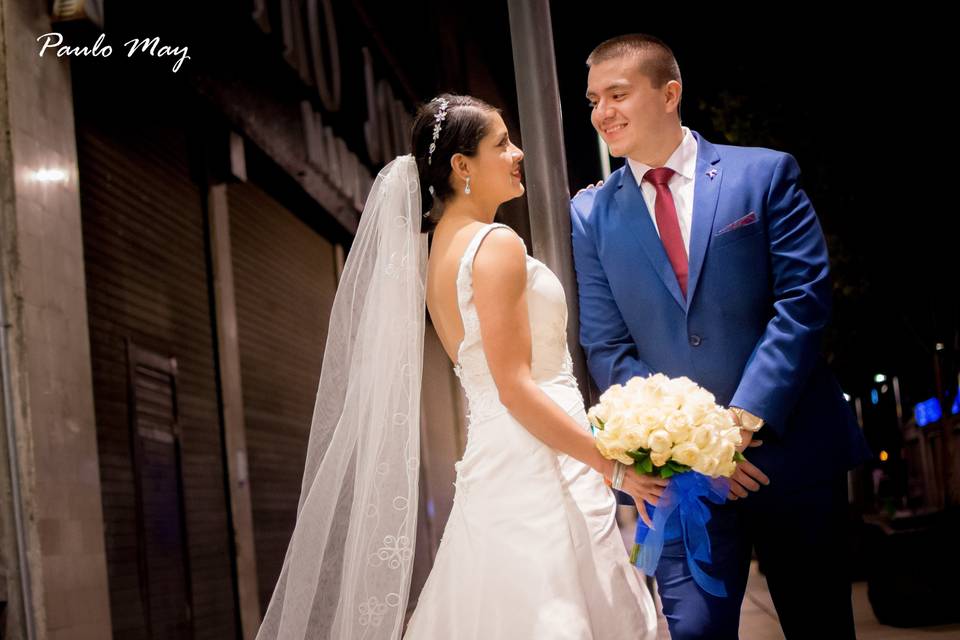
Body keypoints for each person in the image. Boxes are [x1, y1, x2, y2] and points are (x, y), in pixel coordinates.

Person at [255, 93, 658, 640]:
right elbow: (514, 388)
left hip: (500, 453)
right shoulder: (496, 245)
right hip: (538, 455)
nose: (517, 154)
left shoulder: (438, 251)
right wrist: (613, 468)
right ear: (462, 166)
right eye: (501, 144)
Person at [571, 33, 871, 639]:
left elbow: (803, 302)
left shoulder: (762, 174)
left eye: (619, 94)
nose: (603, 112)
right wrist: (693, 449)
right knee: (696, 631)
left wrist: (740, 423)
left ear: (670, 93)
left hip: (791, 452)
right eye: (593, 99)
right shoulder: (590, 214)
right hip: (680, 481)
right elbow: (607, 346)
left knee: (821, 625)